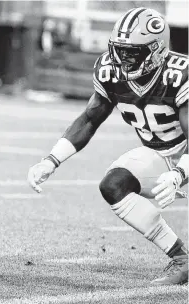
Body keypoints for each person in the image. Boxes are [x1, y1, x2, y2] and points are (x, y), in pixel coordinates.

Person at [27, 7, 188, 285]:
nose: (123, 59)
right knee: (114, 185)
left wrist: (179, 175)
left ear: (157, 50)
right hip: (160, 155)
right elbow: (90, 118)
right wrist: (51, 161)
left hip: (183, 155)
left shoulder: (178, 75)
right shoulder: (109, 72)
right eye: (119, 51)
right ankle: (182, 259)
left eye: (132, 53)